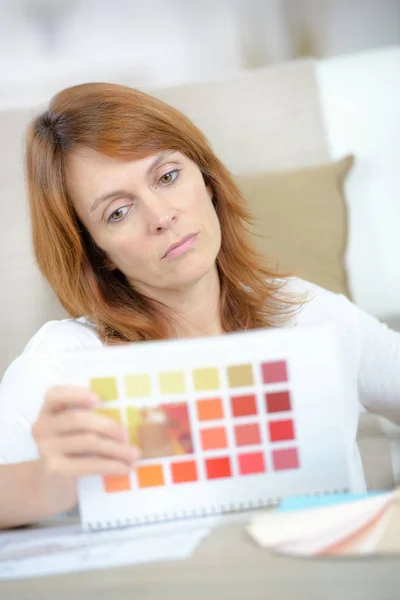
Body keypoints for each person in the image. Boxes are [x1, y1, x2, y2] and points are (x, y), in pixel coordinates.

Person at [0, 83, 399, 529]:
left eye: (167, 176)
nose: (161, 215)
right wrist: (43, 485)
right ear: (98, 253)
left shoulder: (304, 311)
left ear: (207, 181)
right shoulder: (64, 362)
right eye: (118, 211)